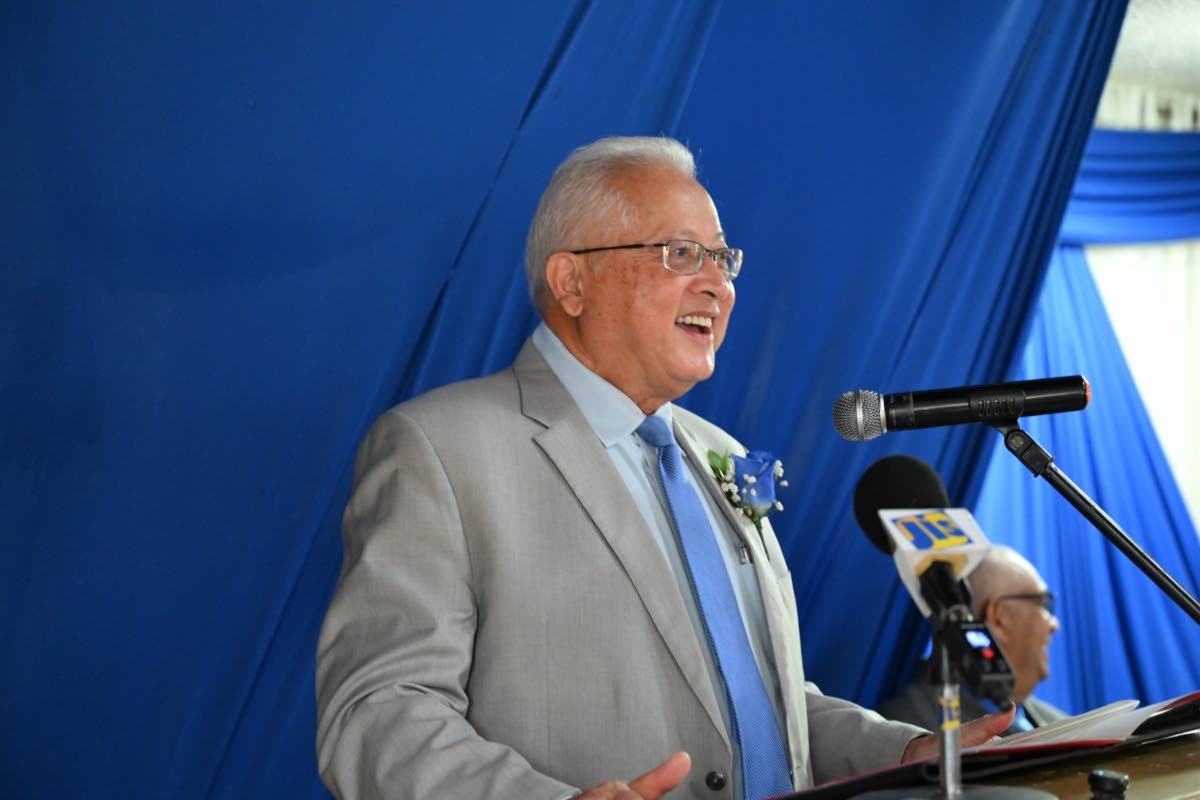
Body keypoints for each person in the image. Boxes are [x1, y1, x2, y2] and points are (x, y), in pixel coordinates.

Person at [315, 136, 1013, 800]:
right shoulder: (439, 450)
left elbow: (758, 702)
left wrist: (903, 753)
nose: (719, 287)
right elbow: (378, 711)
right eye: (683, 254)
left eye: (724, 258)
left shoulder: (724, 455)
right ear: (572, 281)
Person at [877, 546, 1066, 734]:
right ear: (1000, 617)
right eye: (1044, 603)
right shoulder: (912, 736)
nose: (1054, 625)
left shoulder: (1062, 724)